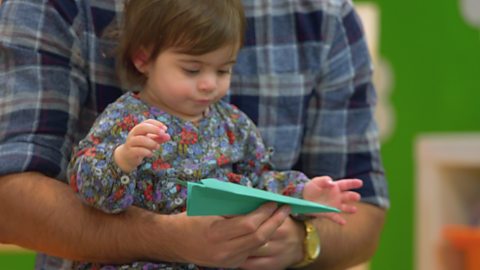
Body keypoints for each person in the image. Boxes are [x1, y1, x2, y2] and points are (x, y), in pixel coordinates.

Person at [0, 0, 389, 269]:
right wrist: (127, 171)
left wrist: (304, 207)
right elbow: (29, 193)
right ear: (143, 58)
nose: (209, 86)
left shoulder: (232, 124)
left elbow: (263, 179)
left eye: (223, 72)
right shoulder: (124, 120)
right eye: (191, 70)